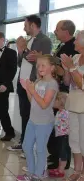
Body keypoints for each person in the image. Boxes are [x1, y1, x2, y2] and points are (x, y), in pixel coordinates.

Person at [8, 15, 53, 152]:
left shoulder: (44, 40)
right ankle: (24, 143)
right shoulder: (28, 41)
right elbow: (21, 61)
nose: (24, 28)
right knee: (24, 114)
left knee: (33, 115)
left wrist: (24, 50)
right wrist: (21, 51)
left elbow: (43, 63)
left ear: (33, 25)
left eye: (26, 25)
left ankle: (32, 146)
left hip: (35, 84)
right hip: (23, 83)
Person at [16, 54, 59, 181]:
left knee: (40, 149)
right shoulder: (38, 81)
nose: (39, 67)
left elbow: (45, 104)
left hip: (44, 123)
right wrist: (28, 90)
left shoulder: (52, 84)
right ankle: (31, 171)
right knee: (26, 146)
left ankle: (38, 174)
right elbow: (32, 101)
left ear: (51, 68)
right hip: (32, 120)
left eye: (43, 65)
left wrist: (33, 91)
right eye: (38, 65)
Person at [48, 20, 78, 170]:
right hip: (57, 89)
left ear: (66, 31)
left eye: (57, 29)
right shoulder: (61, 46)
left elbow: (70, 77)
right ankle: (54, 156)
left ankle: (62, 160)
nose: (54, 31)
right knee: (55, 126)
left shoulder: (73, 49)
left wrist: (60, 69)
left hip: (65, 95)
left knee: (63, 131)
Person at [60, 30, 84, 181]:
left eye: (77, 39)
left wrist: (72, 68)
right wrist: (66, 69)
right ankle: (77, 170)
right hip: (73, 104)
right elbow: (68, 82)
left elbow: (82, 84)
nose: (74, 42)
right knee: (73, 139)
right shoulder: (75, 57)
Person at [48, 92, 69, 178]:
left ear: (60, 102)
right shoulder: (59, 112)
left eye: (54, 101)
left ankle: (61, 170)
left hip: (64, 136)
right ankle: (59, 167)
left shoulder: (65, 113)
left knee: (63, 153)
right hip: (60, 135)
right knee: (60, 152)